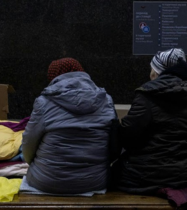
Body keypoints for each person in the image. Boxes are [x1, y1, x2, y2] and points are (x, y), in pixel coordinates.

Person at [114, 48, 187, 194]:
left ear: (156, 72)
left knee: (113, 173)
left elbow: (127, 137)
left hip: (155, 176)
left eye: (151, 69)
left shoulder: (148, 95)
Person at [22, 58, 117, 194]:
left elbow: (28, 146)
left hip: (46, 182)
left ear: (53, 78)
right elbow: (113, 147)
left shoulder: (44, 102)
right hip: (94, 182)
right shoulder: (106, 100)